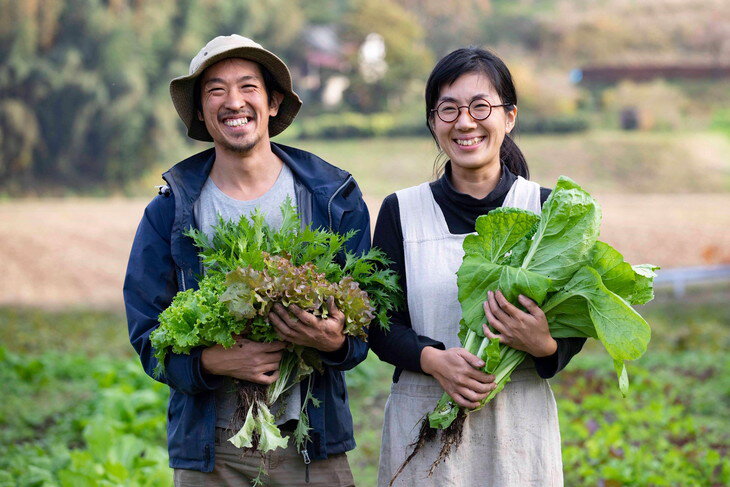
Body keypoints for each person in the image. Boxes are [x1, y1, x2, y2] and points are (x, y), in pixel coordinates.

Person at [123, 34, 367, 486]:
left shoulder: (333, 198)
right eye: (215, 90)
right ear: (199, 110)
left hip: (313, 443)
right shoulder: (171, 209)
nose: (233, 101)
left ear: (273, 103)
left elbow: (366, 325)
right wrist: (212, 361)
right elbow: (147, 335)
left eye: (247, 87)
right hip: (212, 449)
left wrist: (334, 340)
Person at [369, 47, 586, 486]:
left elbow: (575, 322)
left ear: (509, 117)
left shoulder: (546, 210)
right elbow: (377, 322)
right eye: (448, 109)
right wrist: (433, 359)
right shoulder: (401, 210)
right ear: (433, 122)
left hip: (518, 428)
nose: (465, 122)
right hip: (421, 421)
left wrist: (543, 343)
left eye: (480, 106)